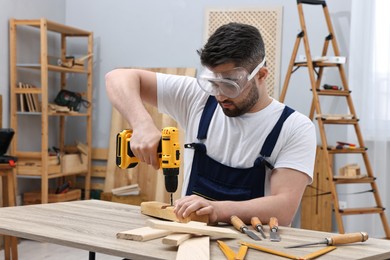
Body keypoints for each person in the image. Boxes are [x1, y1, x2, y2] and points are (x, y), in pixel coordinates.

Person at [105, 22, 316, 226]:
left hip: (253, 244)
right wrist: (142, 123)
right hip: (188, 237)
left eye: (230, 86)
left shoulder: (294, 127)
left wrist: (217, 210)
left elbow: (284, 209)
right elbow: (117, 77)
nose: (219, 95)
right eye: (213, 83)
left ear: (261, 75)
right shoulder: (197, 98)